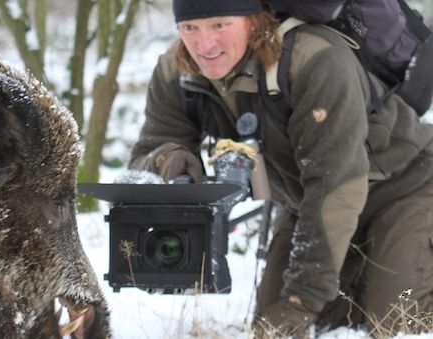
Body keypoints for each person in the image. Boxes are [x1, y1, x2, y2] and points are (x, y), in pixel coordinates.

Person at [128, 0, 433, 336]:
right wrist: (168, 159)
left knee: (399, 324)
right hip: (307, 203)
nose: (204, 45)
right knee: (272, 329)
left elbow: (335, 187)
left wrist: (300, 302)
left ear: (254, 20)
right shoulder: (177, 69)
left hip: (407, 187)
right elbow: (148, 150)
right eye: (190, 28)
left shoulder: (315, 60)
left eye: (220, 25)